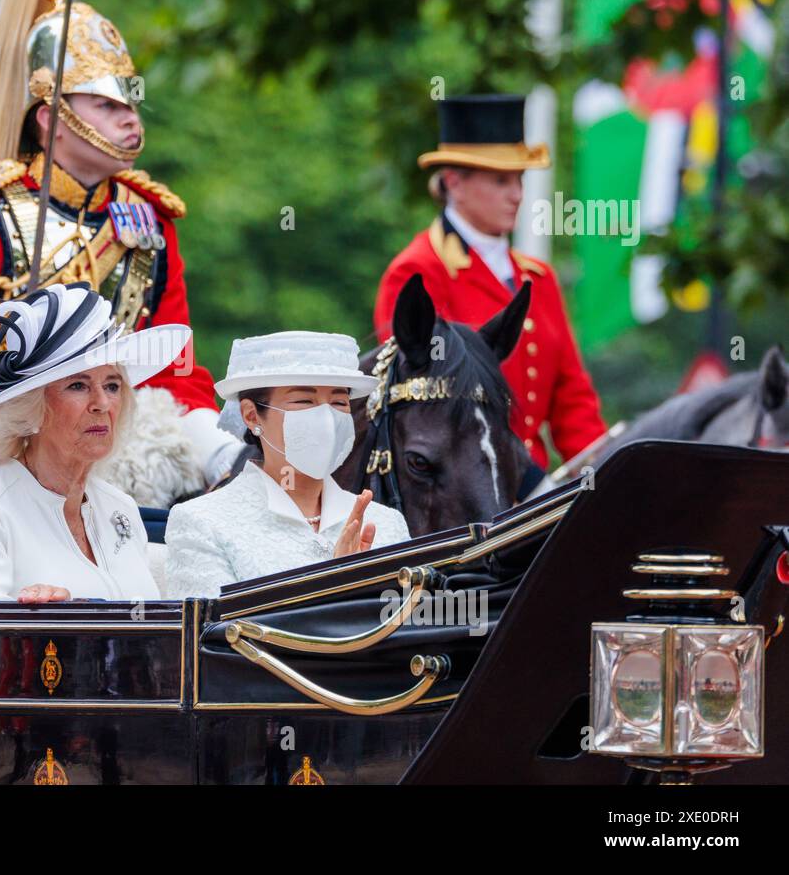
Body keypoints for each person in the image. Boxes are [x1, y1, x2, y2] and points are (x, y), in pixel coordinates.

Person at [0, 0, 239, 506]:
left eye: (130, 102)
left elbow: (173, 362)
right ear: (50, 117)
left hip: (129, 464)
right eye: (105, 105)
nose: (130, 119)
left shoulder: (149, 219)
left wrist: (215, 447)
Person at [373, 94, 606, 470]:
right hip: (459, 497)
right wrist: (529, 483)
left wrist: (603, 471)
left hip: (534, 495)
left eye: (520, 179)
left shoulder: (539, 279)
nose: (517, 195)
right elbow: (430, 405)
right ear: (454, 183)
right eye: (501, 180)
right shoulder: (417, 273)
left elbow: (572, 400)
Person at [0, 282, 189, 603]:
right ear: (32, 409)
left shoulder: (120, 507)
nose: (102, 404)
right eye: (78, 385)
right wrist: (55, 621)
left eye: (112, 385)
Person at [164, 332, 409, 599]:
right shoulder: (202, 523)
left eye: (339, 402)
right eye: (304, 402)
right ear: (251, 415)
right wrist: (335, 586)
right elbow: (216, 637)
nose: (327, 418)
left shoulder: (386, 524)